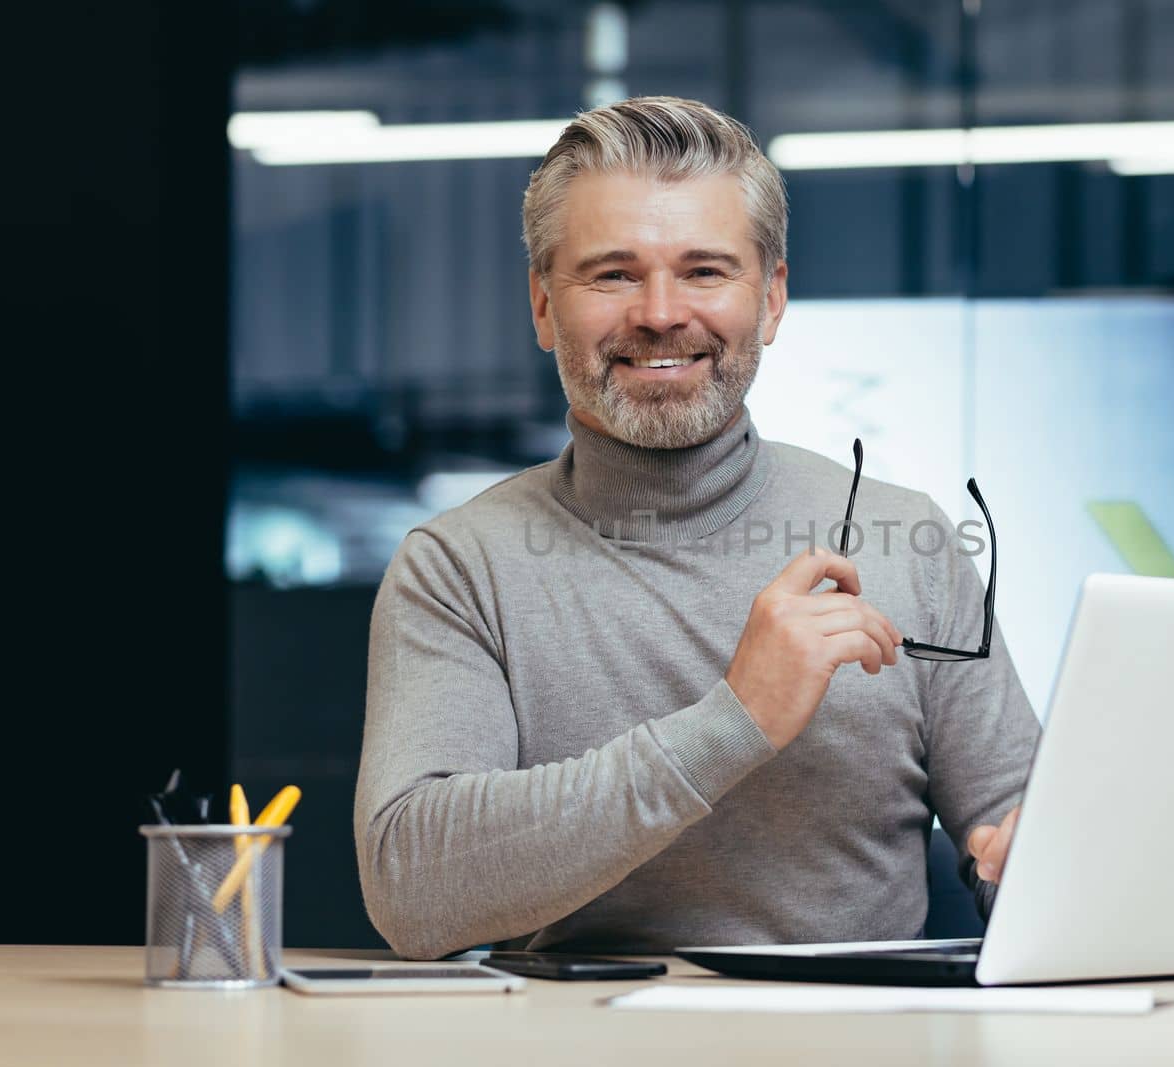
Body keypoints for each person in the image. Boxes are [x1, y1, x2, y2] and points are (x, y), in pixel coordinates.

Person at [354, 96, 1040, 959]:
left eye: (706, 271)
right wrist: (736, 719)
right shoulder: (459, 569)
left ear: (774, 298)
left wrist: (1033, 867)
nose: (660, 312)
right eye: (612, 274)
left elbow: (1023, 847)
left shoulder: (909, 540)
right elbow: (412, 888)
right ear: (540, 305)